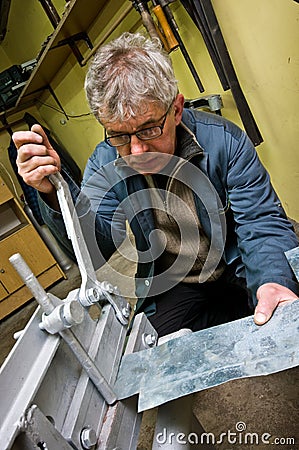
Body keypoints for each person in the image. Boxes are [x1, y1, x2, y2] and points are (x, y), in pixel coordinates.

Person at [13, 32, 298, 337]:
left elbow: (261, 223)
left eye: (149, 129)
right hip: (178, 280)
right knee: (142, 351)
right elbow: (99, 248)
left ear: (176, 109)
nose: (136, 151)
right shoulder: (104, 162)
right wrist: (57, 195)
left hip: (238, 264)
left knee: (283, 299)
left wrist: (273, 281)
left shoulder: (225, 142)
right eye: (120, 135)